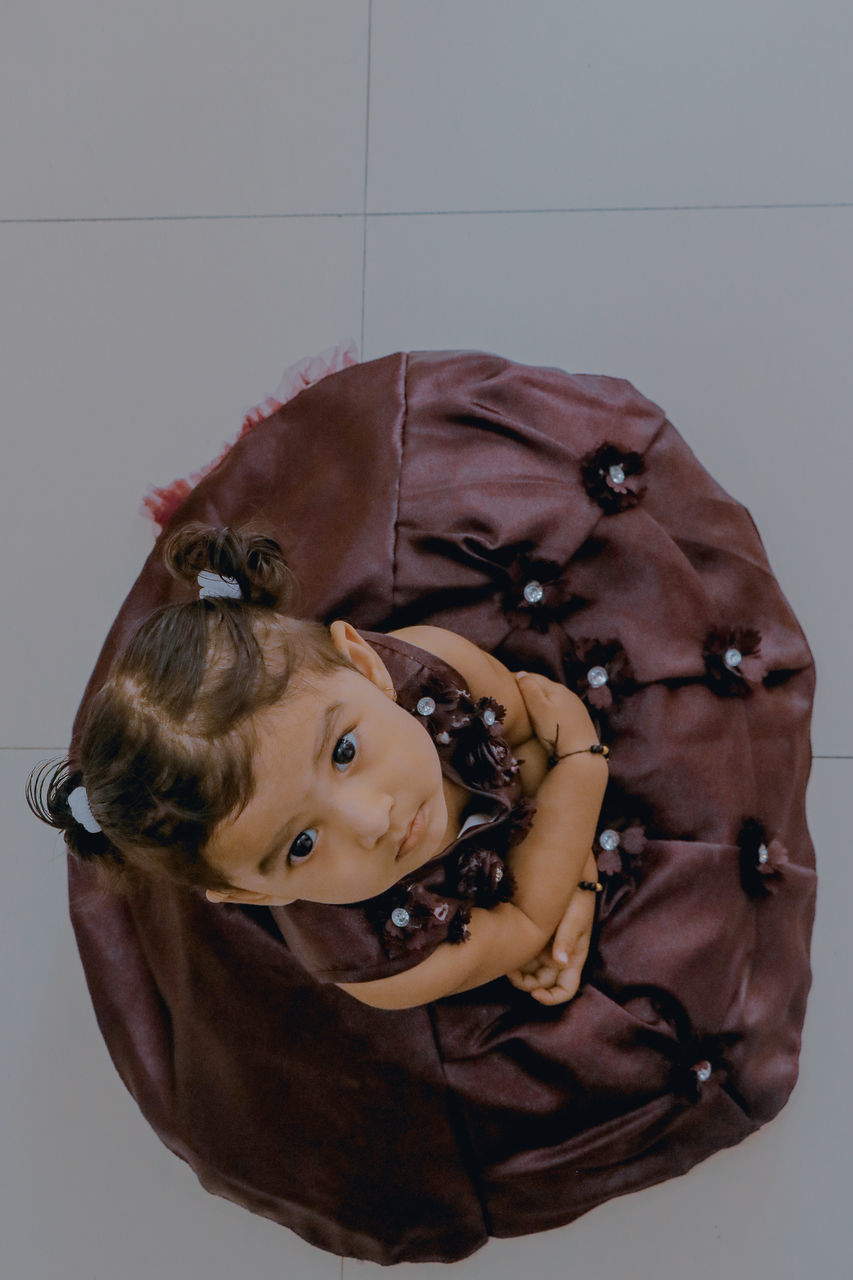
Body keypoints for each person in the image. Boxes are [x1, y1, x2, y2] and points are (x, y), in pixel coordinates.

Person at [28, 523, 610, 1009]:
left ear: (364, 663)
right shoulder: (383, 963)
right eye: (301, 844)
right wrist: (582, 773)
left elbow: (525, 744)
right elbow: (525, 922)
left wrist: (564, 851)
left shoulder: (435, 672)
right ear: (252, 894)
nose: (371, 821)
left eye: (344, 753)